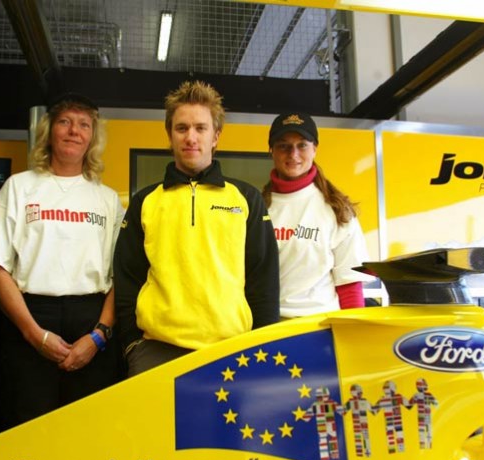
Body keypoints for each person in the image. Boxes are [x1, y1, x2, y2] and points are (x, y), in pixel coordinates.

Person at [0, 92, 125, 430]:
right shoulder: (18, 188)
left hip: (91, 323)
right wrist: (33, 334)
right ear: (50, 131)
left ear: (92, 138)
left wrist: (98, 336)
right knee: (27, 430)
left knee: (88, 431)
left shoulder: (108, 200)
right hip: (30, 320)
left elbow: (121, 277)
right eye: (65, 122)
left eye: (84, 124)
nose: (74, 131)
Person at [114, 80, 279, 377]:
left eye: (200, 128)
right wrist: (131, 344)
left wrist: (261, 348)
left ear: (216, 136)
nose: (191, 137)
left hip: (232, 351)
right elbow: (127, 277)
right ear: (169, 135)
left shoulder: (246, 199)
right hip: (156, 351)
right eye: (182, 128)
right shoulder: (145, 202)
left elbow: (263, 280)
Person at [262, 112, 372, 317]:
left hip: (319, 327)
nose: (293, 154)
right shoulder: (256, 207)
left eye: (302, 145)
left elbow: (349, 285)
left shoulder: (337, 210)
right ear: (272, 151)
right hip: (268, 328)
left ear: (315, 148)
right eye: (283, 145)